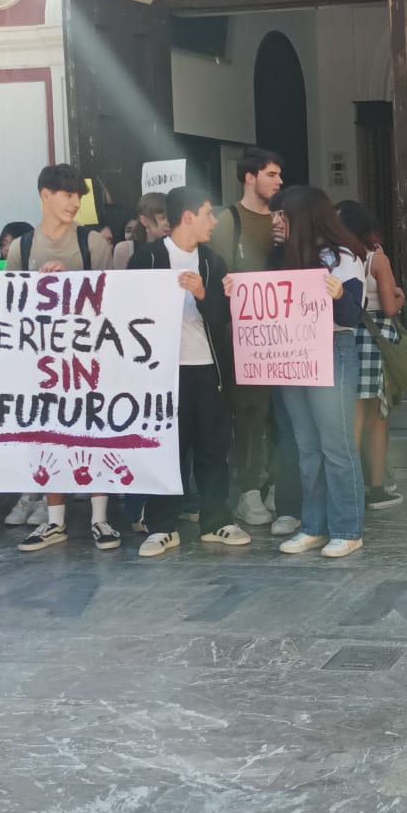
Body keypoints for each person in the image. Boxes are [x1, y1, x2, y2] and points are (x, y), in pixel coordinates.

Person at [243, 186, 368, 558]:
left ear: (303, 217)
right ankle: (313, 525)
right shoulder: (285, 256)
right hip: (292, 354)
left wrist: (337, 295)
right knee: (307, 447)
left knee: (337, 446)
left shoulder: (343, 257)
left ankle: (347, 529)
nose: (277, 221)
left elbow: (351, 317)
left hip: (331, 350)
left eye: (283, 215)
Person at [1, 164, 119, 551]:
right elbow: (7, 303)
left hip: (89, 355)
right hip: (42, 359)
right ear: (45, 195)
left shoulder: (93, 244)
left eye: (78, 196)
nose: (73, 203)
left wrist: (71, 279)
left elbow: (115, 298)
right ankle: (55, 521)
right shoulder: (22, 247)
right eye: (66, 195)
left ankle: (101, 518)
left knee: (95, 431)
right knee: (49, 435)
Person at [130, 185, 245, 556]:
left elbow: (224, 318)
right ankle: (163, 525)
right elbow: (128, 313)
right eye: (208, 213)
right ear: (188, 217)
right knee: (168, 449)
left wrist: (203, 294)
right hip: (163, 373)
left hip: (208, 369)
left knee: (213, 446)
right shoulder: (146, 259)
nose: (213, 222)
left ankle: (217, 521)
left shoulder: (212, 261)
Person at [212, 148, 285, 529]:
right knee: (248, 414)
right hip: (243, 338)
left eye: (279, 175)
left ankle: (277, 484)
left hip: (284, 338)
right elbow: (217, 274)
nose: (278, 181)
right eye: (271, 174)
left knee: (279, 413)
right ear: (249, 177)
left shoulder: (282, 220)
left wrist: (286, 242)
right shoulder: (229, 221)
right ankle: (248, 490)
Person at [338, 200, 407, 509]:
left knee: (352, 415)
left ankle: (348, 484)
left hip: (350, 334)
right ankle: (376, 487)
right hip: (375, 336)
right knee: (378, 416)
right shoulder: (376, 259)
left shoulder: (339, 258)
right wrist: (400, 296)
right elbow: (390, 308)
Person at [110, 192, 168, 272]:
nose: (168, 223)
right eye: (163, 217)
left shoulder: (176, 250)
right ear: (144, 221)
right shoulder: (125, 250)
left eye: (171, 217)